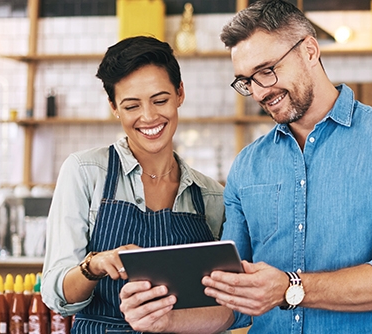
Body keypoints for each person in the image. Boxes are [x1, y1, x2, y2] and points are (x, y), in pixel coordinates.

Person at [118, 0, 372, 333]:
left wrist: (290, 288)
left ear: (310, 51)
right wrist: (165, 319)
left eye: (267, 70)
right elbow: (233, 299)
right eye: (247, 81)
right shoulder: (248, 165)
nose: (258, 91)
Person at [40, 36, 230, 333]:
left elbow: (225, 302)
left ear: (180, 93)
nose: (149, 116)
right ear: (114, 107)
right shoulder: (86, 173)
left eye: (160, 100)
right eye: (131, 106)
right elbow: (57, 295)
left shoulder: (210, 196)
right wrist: (95, 265)